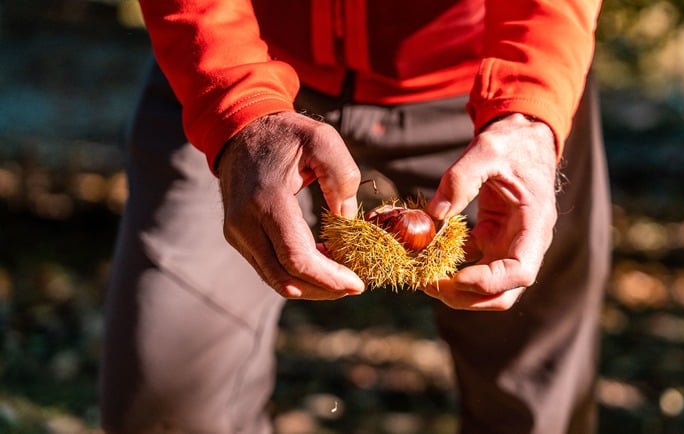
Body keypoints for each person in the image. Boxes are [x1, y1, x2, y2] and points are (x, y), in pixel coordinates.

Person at [100, 1, 611, 433]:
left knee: (541, 402)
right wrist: (235, 98)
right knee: (163, 391)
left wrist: (528, 107)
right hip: (240, 62)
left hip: (483, 89)